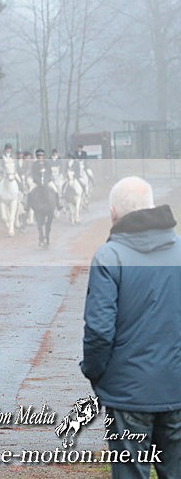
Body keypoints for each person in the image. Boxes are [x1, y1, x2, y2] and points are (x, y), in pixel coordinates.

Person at [81, 176, 181, 479]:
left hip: (126, 394)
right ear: (151, 206)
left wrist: (94, 371)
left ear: (113, 212)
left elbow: (99, 331)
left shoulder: (108, 256)